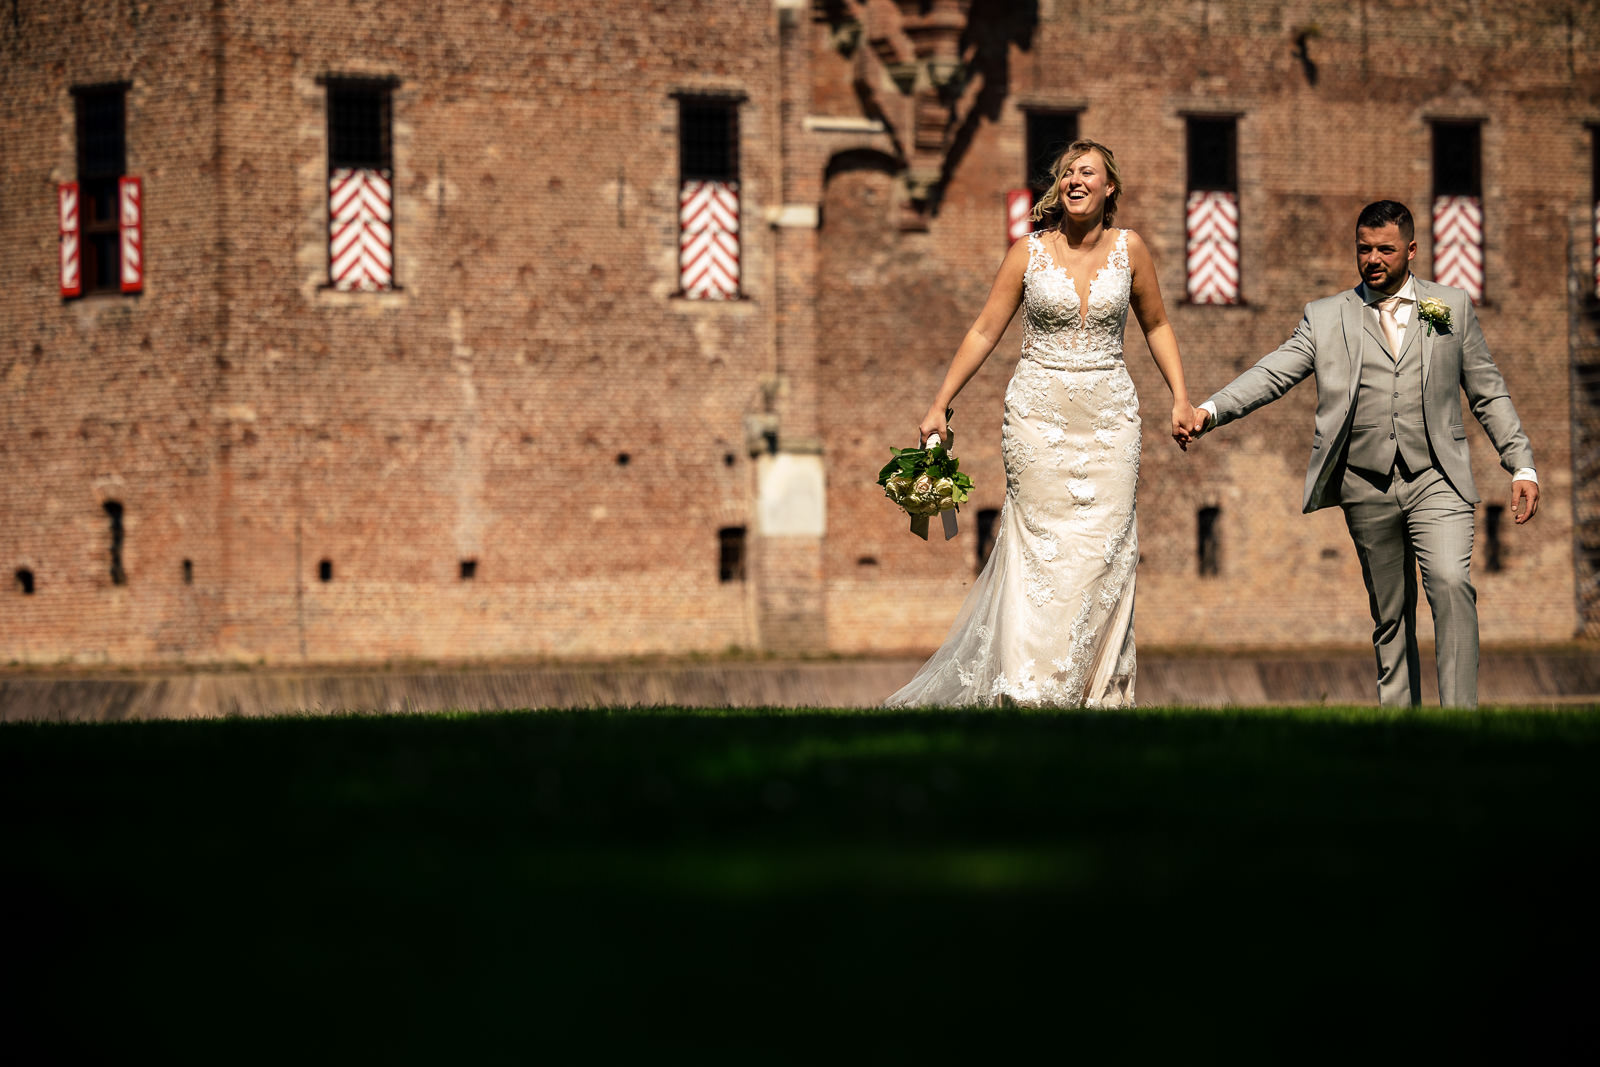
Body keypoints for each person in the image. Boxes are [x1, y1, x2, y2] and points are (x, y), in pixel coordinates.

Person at [1188, 200, 1538, 708]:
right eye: (1364, 249)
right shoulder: (1327, 317)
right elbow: (1274, 372)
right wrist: (1212, 409)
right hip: (1365, 483)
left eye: (1385, 249)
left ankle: (1461, 723)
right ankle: (1400, 730)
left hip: (1437, 477)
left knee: (1450, 582)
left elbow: (1487, 391)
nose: (1373, 258)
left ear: (1412, 250)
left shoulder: (1448, 308)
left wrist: (1520, 463)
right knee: (1391, 613)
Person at [885, 140, 1198, 708]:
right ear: (1059, 187)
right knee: (1040, 550)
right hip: (1038, 417)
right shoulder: (1027, 253)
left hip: (1110, 420)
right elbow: (985, 330)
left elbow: (1156, 325)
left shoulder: (1133, 250)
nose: (1076, 181)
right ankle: (1030, 688)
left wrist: (1180, 397)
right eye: (1067, 174)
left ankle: (1096, 690)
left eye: (1088, 173)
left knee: (1107, 548)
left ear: (1110, 189)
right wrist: (940, 402)